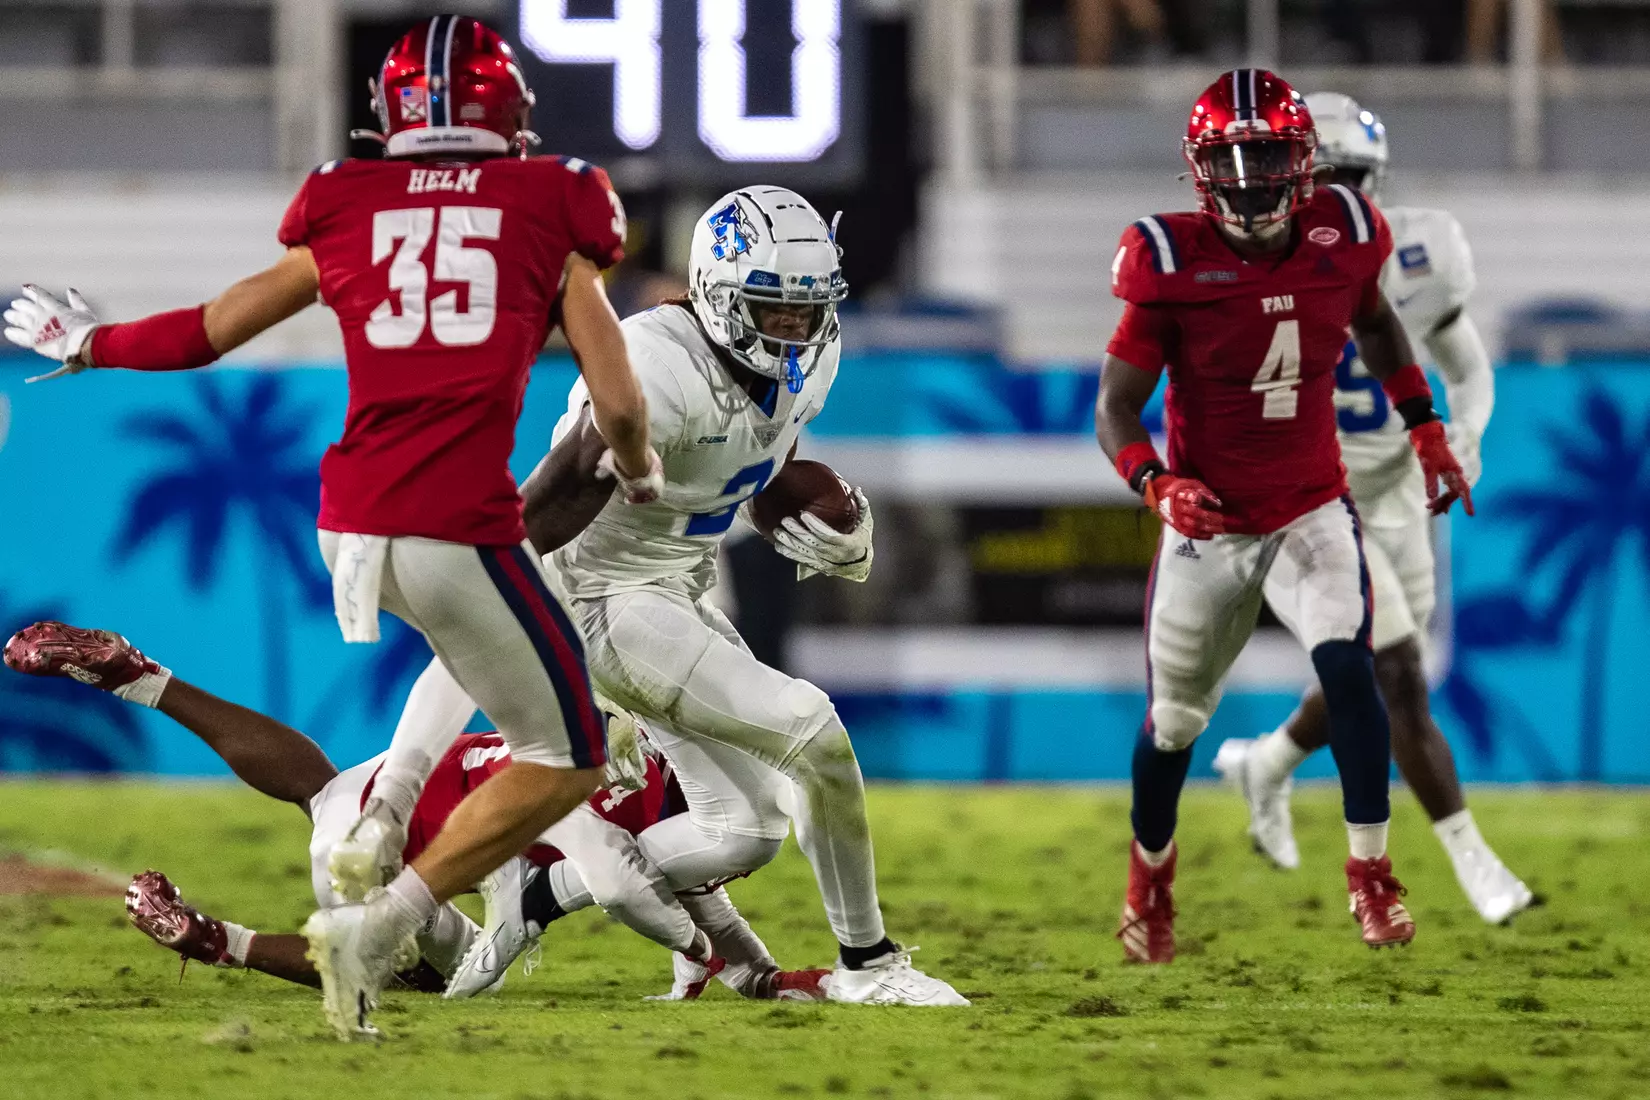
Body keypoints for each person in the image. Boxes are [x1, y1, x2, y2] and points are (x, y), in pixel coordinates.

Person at [1, 16, 665, 1039]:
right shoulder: (552, 199)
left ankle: (386, 815)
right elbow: (614, 393)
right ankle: (382, 917)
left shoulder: (348, 202)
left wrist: (90, 342)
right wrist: (635, 459)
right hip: (455, 521)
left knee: (470, 670)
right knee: (568, 754)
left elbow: (214, 325)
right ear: (509, 114)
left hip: (350, 524)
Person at [379, 186, 967, 1006]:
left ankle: (537, 893)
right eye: (776, 311)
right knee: (815, 733)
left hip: (676, 587)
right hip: (600, 600)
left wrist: (817, 519)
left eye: (810, 312)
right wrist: (509, 628)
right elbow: (551, 504)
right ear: (721, 296)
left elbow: (752, 461)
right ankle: (869, 962)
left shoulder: (809, 357)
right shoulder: (653, 366)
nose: (798, 332)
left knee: (747, 827)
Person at [1095, 69, 1476, 963]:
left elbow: (1378, 325)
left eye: (1266, 152)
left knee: (1355, 670)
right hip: (1211, 523)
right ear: (1199, 166)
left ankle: (1371, 876)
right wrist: (1156, 484)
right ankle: (1150, 875)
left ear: (1302, 158)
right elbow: (1116, 408)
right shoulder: (1168, 256)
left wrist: (1425, 428)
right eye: (1231, 156)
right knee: (1175, 724)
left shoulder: (1343, 234)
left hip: (1311, 508)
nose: (1251, 175)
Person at [2, 620, 829, 1004]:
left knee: (322, 792)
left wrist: (755, 971)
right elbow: (629, 882)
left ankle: (149, 678)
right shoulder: (635, 824)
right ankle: (218, 940)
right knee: (422, 977)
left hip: (402, 776)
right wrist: (704, 962)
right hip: (402, 863)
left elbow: (684, 883)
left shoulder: (649, 768)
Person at [1212, 92, 1532, 925]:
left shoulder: (1421, 252)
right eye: (1327, 179)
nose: (1341, 199)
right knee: (1393, 672)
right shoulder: (1241, 265)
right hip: (1304, 501)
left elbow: (1468, 367)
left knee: (1388, 671)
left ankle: (1270, 763)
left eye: (1356, 179)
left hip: (1393, 493)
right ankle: (1475, 862)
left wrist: (1463, 434)